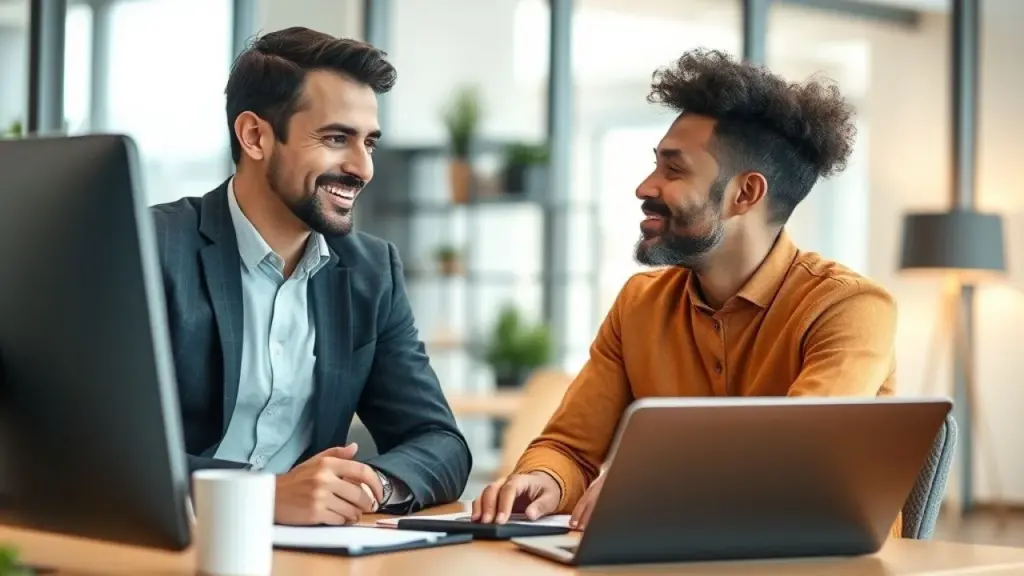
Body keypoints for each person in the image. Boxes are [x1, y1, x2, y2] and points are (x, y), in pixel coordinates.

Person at [472, 49, 902, 538]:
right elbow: (570, 447)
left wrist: (648, 487)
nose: (643, 186)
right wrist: (543, 478)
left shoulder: (849, 308)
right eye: (655, 165)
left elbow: (794, 461)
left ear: (745, 194)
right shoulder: (640, 303)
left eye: (673, 171)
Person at [151, 27, 471, 525]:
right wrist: (262, 497)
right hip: (169, 545)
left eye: (369, 143)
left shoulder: (371, 272)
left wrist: (369, 486)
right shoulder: (152, 247)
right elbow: (91, 447)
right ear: (255, 136)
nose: (362, 168)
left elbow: (440, 443)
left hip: (306, 554)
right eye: (336, 138)